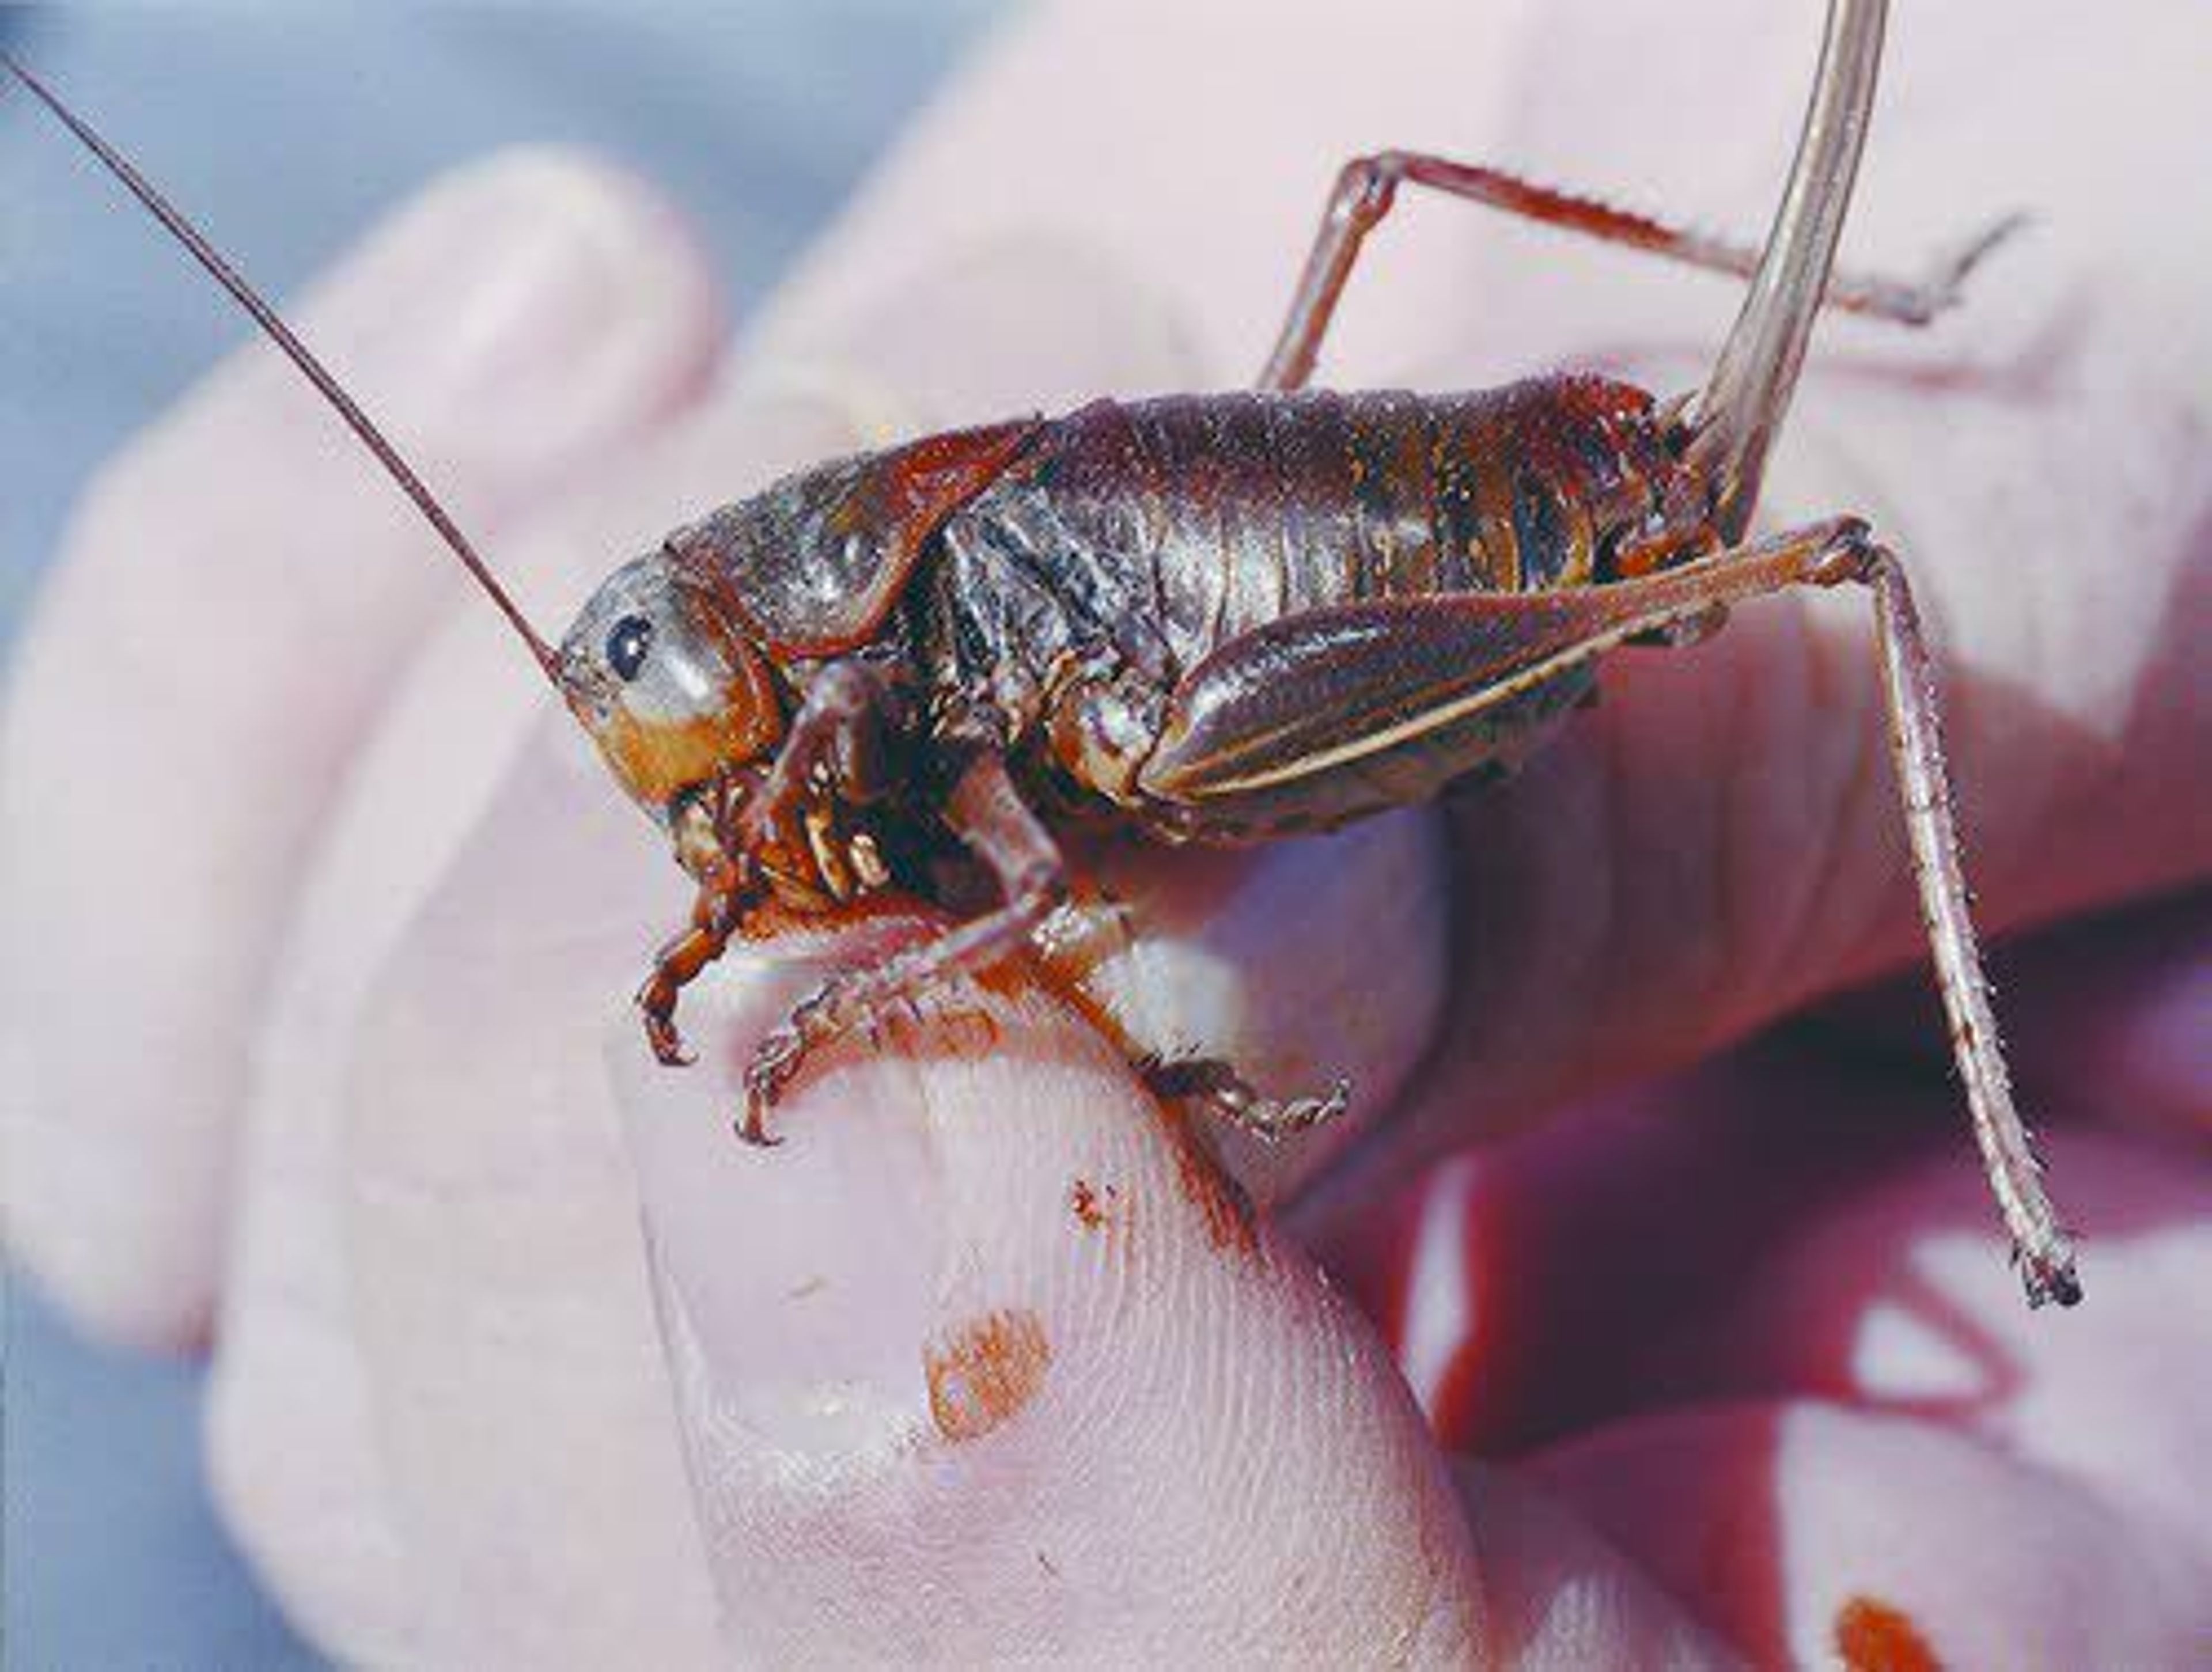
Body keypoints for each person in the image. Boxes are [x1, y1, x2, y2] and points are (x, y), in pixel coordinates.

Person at [3, 1, 2205, 1662]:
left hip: (1432, 572)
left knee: (1814, 553)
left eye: (669, 676)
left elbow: (1046, 881)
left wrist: (821, 1006)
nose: (689, 778)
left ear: (758, 623)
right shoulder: (852, 663)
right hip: (1198, 663)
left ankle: (2012, 1161)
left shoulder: (903, 648)